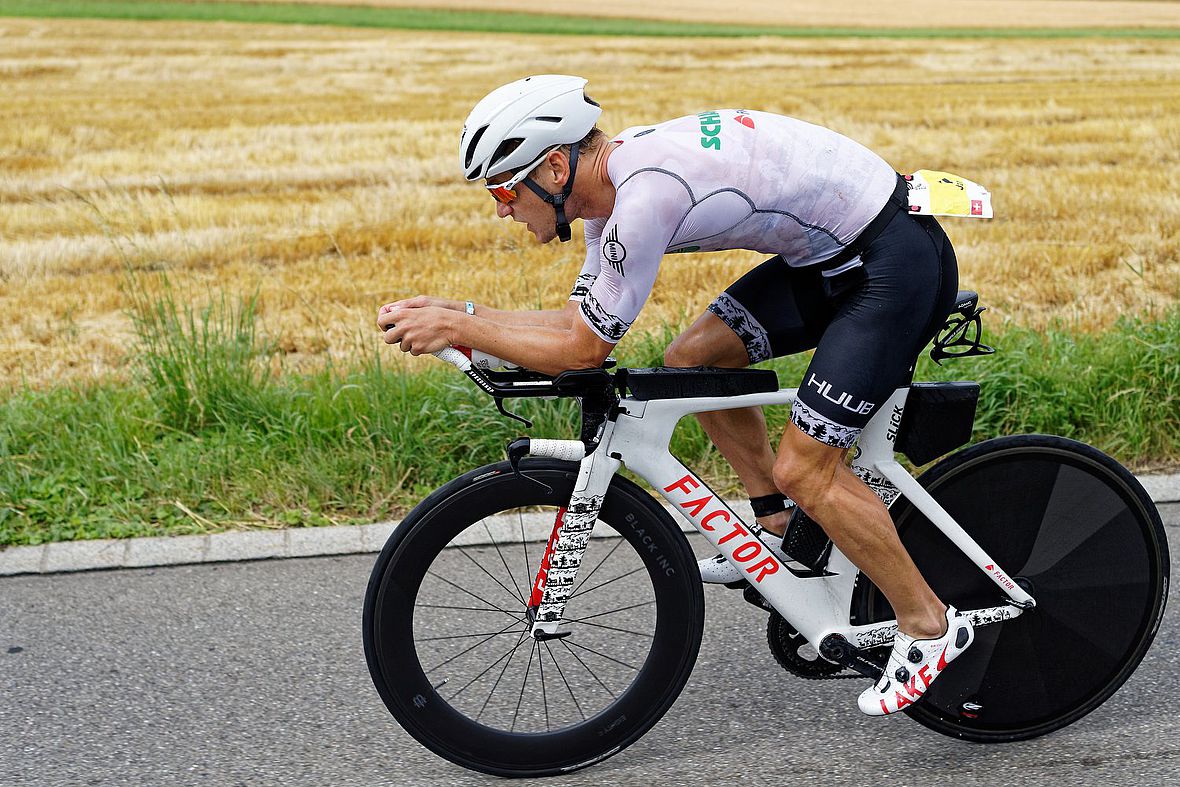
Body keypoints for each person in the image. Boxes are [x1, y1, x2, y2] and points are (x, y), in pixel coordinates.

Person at [377, 74, 974, 716]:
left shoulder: (644, 197)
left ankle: (930, 628)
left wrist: (463, 326)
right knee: (694, 359)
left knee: (808, 468)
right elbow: (580, 324)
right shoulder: (608, 198)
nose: (499, 209)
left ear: (553, 168)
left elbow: (582, 352)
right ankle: (774, 525)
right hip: (834, 260)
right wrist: (464, 315)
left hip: (891, 267)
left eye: (502, 190)